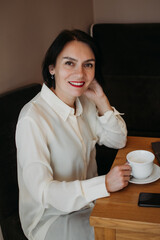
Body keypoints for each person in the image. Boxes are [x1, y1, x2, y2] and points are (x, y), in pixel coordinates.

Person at [16, 29, 131, 240]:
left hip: (91, 204)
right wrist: (103, 184)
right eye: (69, 63)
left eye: (88, 65)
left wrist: (102, 101)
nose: (80, 74)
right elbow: (43, 192)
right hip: (51, 218)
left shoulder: (84, 103)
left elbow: (118, 140)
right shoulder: (32, 118)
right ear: (52, 68)